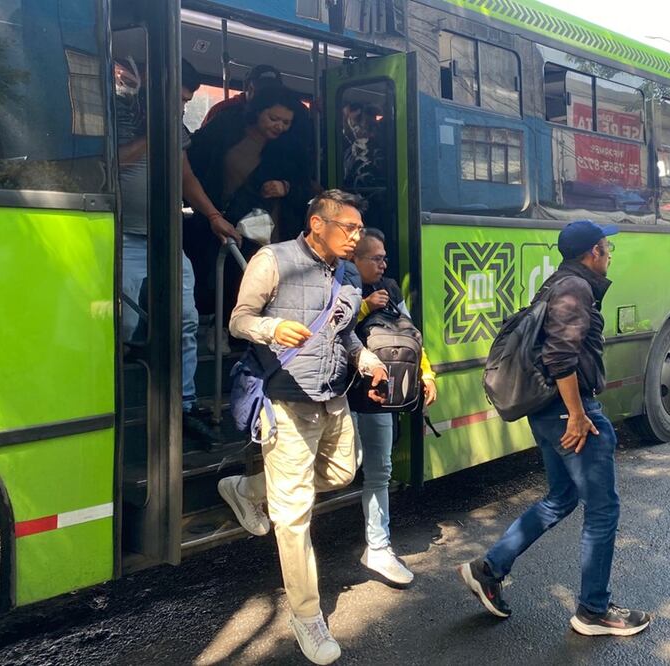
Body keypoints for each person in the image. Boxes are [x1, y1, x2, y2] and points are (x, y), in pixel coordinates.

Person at [216, 190, 388, 664]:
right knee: (294, 516)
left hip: (332, 396)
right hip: (286, 402)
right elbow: (239, 320)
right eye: (348, 228)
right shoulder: (272, 260)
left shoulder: (348, 272)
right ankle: (306, 615)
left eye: (358, 229)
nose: (356, 237)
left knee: (341, 475)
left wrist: (363, 354)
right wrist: (272, 330)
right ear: (317, 224)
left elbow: (344, 327)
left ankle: (250, 490)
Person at [457, 220, 652, 637]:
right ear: (591, 254)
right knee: (603, 509)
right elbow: (561, 357)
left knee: (561, 497)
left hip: (549, 412)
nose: (609, 255)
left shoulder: (559, 283)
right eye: (606, 248)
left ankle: (489, 568)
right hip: (568, 413)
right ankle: (593, 611)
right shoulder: (574, 290)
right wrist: (579, 415)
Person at [115, 56, 218, 443]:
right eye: (176, 98)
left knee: (186, 321)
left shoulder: (174, 126)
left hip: (165, 237)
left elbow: (185, 175)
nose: (181, 107)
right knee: (122, 324)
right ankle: (114, 404)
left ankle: (184, 405)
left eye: (186, 101)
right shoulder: (116, 111)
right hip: (122, 235)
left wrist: (212, 216)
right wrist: (154, 135)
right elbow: (106, 161)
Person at [184, 84, 313, 328]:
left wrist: (286, 187)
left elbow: (308, 186)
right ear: (257, 111)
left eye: (286, 122)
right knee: (218, 279)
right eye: (273, 118)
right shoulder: (224, 131)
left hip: (265, 231)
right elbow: (191, 168)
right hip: (217, 220)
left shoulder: (291, 148)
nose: (279, 126)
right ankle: (221, 328)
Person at [349, 229, 437, 586]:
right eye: (376, 258)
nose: (384, 264)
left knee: (380, 469)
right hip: (341, 392)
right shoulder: (341, 286)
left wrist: (426, 373)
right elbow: (326, 333)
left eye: (384, 258)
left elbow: (409, 332)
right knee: (340, 466)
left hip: (380, 395)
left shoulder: (392, 290)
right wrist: (363, 308)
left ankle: (379, 547)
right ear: (352, 260)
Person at [201, 63, 282, 127]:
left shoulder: (279, 118)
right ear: (248, 88)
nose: (267, 97)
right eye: (262, 92)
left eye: (273, 93)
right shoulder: (222, 110)